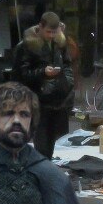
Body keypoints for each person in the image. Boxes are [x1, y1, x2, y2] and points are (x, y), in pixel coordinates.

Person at [11, 12, 73, 156]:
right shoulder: (26, 46)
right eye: (48, 32)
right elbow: (20, 75)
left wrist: (68, 83)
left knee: (59, 142)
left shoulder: (60, 43)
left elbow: (68, 64)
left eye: (54, 32)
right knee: (42, 142)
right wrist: (43, 72)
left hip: (59, 98)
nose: (51, 35)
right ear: (40, 27)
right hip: (38, 100)